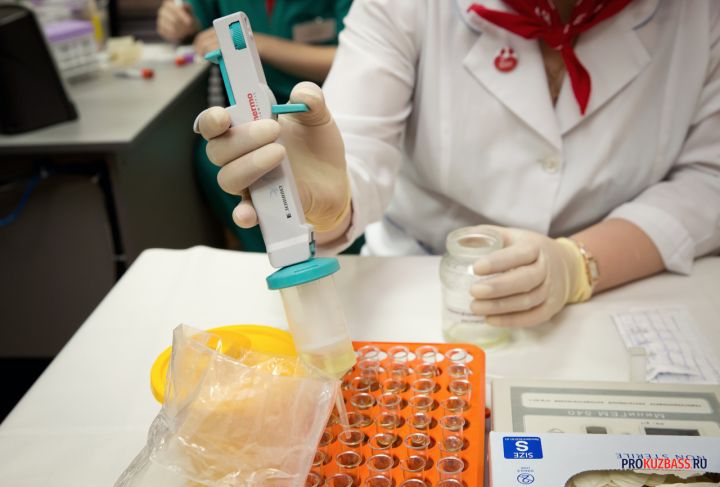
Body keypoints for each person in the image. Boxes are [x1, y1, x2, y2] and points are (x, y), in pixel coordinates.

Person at [193, 0, 720, 327]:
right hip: (423, 281)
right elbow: (357, 148)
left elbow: (709, 177)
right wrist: (324, 201)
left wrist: (577, 265)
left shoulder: (700, 15)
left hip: (622, 292)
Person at [157, 0, 357, 251]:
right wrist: (177, 18)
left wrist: (259, 44)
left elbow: (361, 58)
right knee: (216, 163)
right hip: (255, 116)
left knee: (331, 193)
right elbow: (189, 14)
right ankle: (272, 254)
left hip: (327, 114)